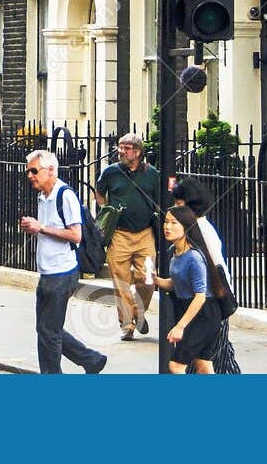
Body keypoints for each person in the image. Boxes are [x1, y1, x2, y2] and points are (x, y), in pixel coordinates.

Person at [19, 148, 107, 375]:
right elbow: (49, 230)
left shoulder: (65, 195)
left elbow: (75, 235)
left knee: (48, 331)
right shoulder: (42, 196)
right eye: (28, 171)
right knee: (46, 329)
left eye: (34, 171)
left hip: (63, 272)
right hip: (47, 272)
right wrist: (35, 227)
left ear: (50, 170)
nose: (30, 175)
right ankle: (92, 360)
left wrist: (41, 227)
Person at [95, 131, 162, 340]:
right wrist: (107, 211)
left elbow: (160, 199)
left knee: (148, 279)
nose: (121, 151)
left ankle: (138, 313)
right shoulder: (110, 172)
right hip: (119, 234)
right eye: (120, 147)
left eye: (126, 148)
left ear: (138, 151)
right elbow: (99, 191)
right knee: (121, 280)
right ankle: (127, 324)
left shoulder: (153, 174)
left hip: (145, 233)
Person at [173, 176, 240, 373]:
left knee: (213, 359)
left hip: (211, 304)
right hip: (207, 303)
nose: (175, 209)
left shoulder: (200, 230)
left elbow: (214, 267)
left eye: (178, 204)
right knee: (211, 358)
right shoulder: (195, 227)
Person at [151, 204, 225, 374]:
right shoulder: (174, 251)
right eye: (166, 222)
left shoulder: (194, 257)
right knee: (203, 366)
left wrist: (180, 326)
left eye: (174, 223)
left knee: (176, 366)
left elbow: (200, 297)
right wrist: (156, 281)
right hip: (190, 311)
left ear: (186, 227)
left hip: (203, 315)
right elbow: (177, 284)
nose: (167, 227)